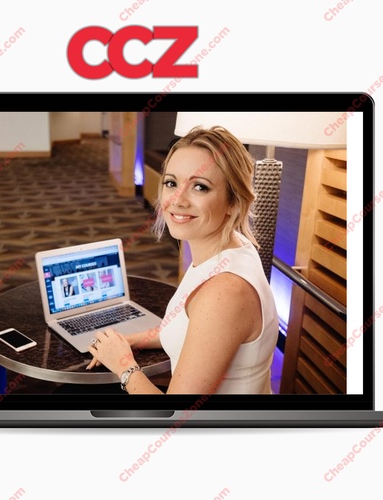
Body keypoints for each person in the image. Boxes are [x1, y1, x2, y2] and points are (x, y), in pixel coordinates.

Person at [86, 126, 278, 394]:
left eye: (200, 187)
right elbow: (196, 330)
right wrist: (131, 341)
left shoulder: (225, 292)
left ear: (234, 202)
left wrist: (124, 365)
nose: (177, 199)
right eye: (171, 183)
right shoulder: (233, 248)